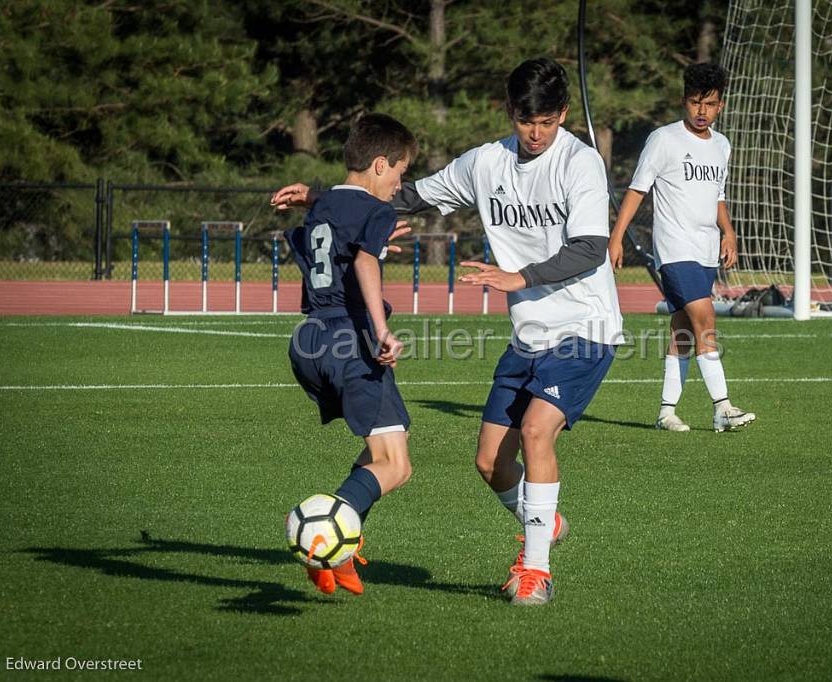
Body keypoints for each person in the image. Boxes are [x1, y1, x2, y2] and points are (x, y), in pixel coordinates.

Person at [272, 57, 623, 606]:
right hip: (528, 335)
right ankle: (543, 521)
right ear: (510, 112)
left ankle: (536, 569)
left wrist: (518, 276)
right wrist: (323, 198)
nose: (536, 134)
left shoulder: (580, 164)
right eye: (526, 121)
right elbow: (404, 193)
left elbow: (590, 249)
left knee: (536, 433)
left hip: (584, 326)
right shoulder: (487, 162)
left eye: (548, 122)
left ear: (563, 115)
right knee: (489, 462)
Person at [278, 113, 417, 596]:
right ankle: (323, 534)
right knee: (397, 466)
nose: (399, 187)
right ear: (380, 165)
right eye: (399, 175)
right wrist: (382, 332)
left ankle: (344, 540)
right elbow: (362, 259)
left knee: (378, 454)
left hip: (310, 341)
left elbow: (332, 226)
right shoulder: (376, 212)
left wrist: (313, 197)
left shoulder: (326, 205)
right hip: (350, 342)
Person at [609, 62, 754, 434]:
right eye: (694, 103)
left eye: (710, 105)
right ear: (683, 101)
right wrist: (617, 236)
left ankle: (666, 413)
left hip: (706, 250)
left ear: (721, 106)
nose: (701, 112)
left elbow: (717, 196)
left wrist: (729, 232)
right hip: (674, 250)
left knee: (683, 333)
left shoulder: (722, 145)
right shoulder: (663, 139)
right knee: (706, 320)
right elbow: (637, 190)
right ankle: (722, 407)